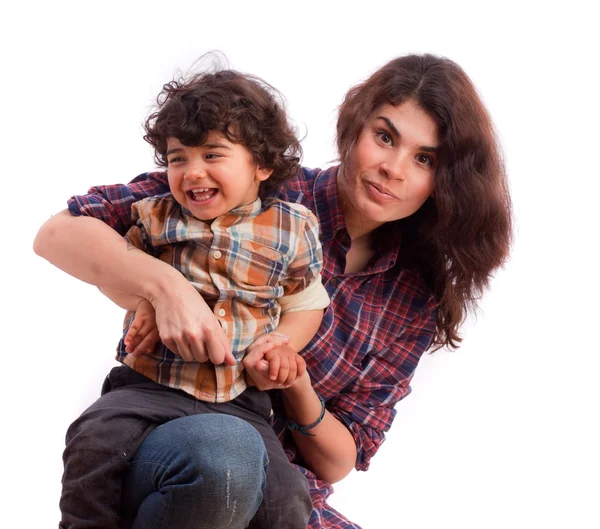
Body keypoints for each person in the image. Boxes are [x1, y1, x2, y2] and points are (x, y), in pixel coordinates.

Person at [34, 53, 513, 529]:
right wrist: (165, 288)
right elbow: (58, 234)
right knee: (226, 456)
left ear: (444, 181)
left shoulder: (410, 300)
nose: (394, 168)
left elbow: (337, 460)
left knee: (278, 488)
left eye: (424, 159)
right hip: (176, 442)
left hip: (285, 490)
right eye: (384, 137)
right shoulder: (256, 185)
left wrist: (292, 376)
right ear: (354, 128)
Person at [46, 68, 331, 529]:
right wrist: (148, 301)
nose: (192, 172)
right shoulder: (156, 214)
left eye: (212, 154)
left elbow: (306, 301)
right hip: (148, 385)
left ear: (262, 164)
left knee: (289, 498)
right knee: (93, 441)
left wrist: (280, 344)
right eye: (178, 158)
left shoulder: (293, 227)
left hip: (241, 399)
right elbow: (122, 272)